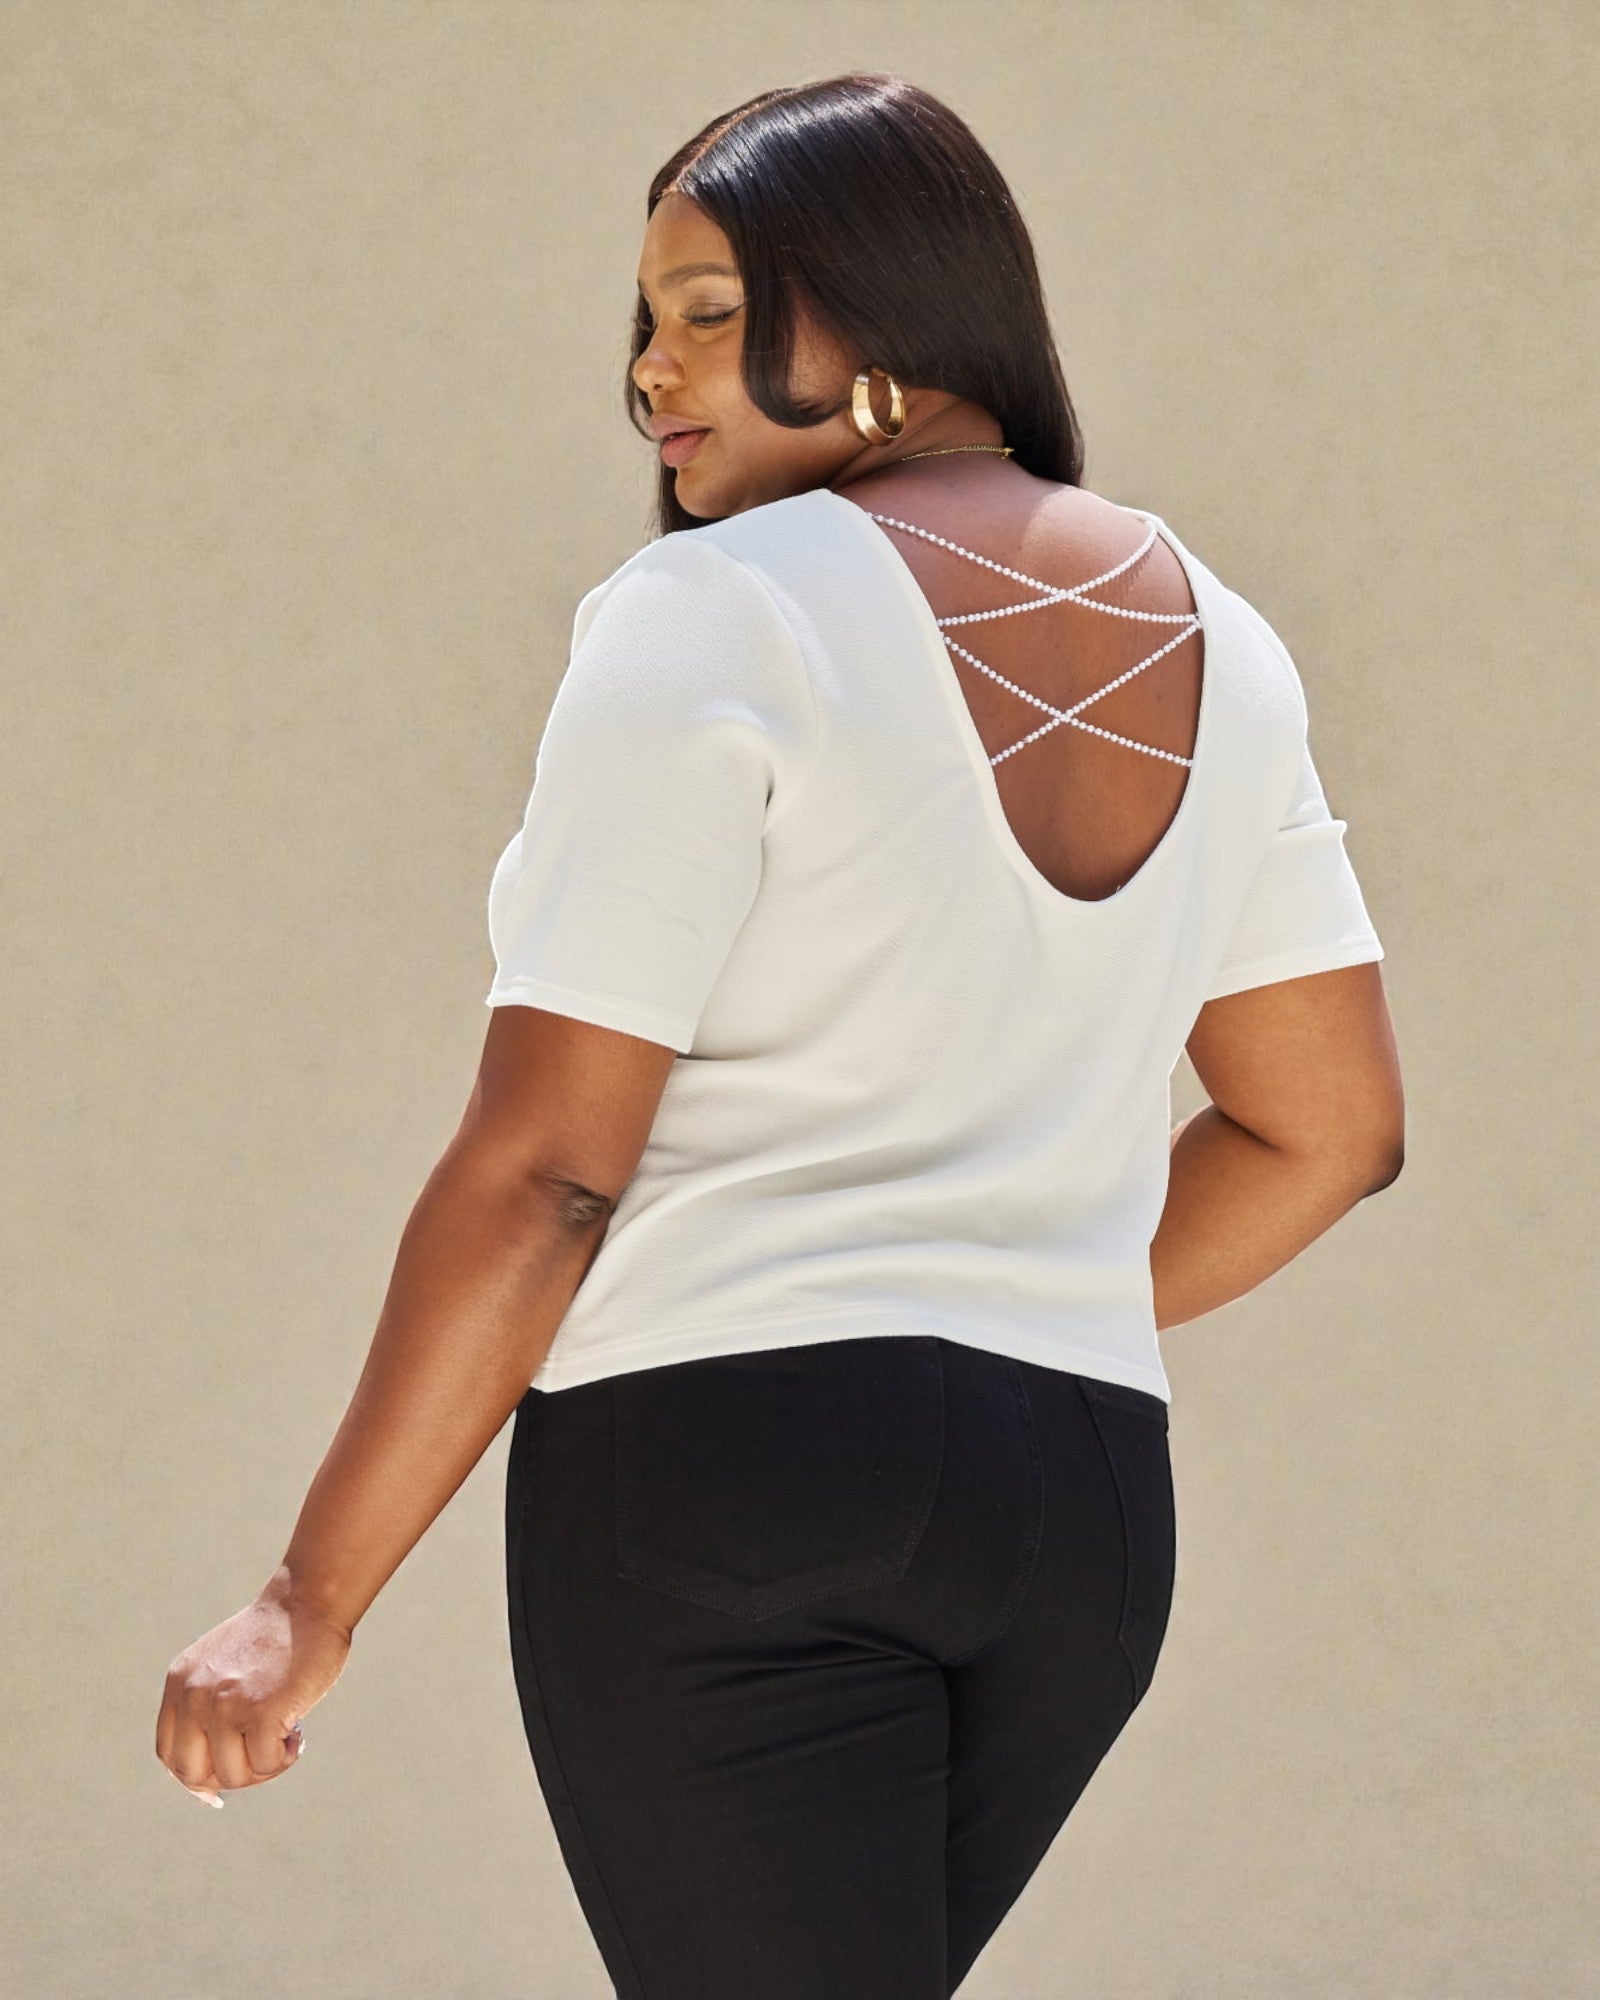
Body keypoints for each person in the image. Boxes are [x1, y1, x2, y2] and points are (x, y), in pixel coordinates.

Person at [156, 71, 1405, 2000]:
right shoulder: (1229, 644)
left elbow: (549, 1170)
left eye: (713, 311)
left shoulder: (714, 612)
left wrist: (304, 1603)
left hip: (726, 1473)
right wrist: (1004, 1298)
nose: (655, 374)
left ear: (884, 312)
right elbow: (1328, 1132)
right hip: (1077, 1516)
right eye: (643, 326)